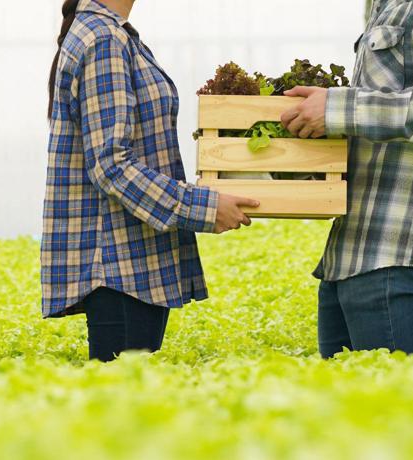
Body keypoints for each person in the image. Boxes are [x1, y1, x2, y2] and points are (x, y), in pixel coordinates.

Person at [41, 0, 260, 362]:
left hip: (134, 264)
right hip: (118, 267)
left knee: (127, 403)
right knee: (120, 407)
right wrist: (203, 207)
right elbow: (110, 164)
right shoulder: (103, 39)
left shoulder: (114, 34)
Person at [280, 0, 413, 361]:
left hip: (395, 251)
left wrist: (338, 109)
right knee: (350, 414)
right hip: (350, 254)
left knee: (404, 413)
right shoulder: (385, 5)